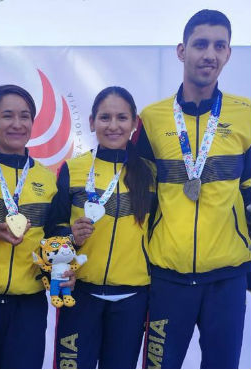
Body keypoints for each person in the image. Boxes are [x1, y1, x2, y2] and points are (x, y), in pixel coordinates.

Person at [137, 9, 251, 369]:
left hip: (227, 279)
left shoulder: (247, 114)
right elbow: (139, 198)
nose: (210, 54)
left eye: (220, 46)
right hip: (167, 277)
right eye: (200, 44)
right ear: (181, 50)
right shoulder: (151, 119)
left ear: (229, 53)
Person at [0, 84, 75, 369]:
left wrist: (63, 268)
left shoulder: (48, 179)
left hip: (28, 305)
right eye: (7, 116)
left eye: (25, 116)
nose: (17, 124)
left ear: (33, 123)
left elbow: (53, 239)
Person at [48, 86, 155, 369]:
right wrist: (71, 236)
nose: (113, 126)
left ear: (134, 124)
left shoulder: (149, 174)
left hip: (132, 299)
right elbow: (52, 231)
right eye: (105, 118)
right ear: (92, 121)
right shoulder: (73, 168)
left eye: (122, 118)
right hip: (81, 296)